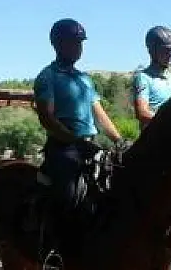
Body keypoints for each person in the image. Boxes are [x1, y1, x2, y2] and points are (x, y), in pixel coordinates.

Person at [33, 18, 125, 229]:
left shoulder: (84, 79)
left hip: (91, 145)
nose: (78, 48)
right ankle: (53, 251)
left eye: (80, 43)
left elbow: (100, 114)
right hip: (63, 149)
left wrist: (119, 140)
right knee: (68, 197)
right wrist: (76, 142)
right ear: (57, 44)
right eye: (73, 42)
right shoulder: (47, 77)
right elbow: (47, 119)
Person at [131, 25, 171, 129]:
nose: (170, 54)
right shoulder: (143, 78)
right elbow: (142, 112)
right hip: (154, 140)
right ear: (152, 51)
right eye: (165, 50)